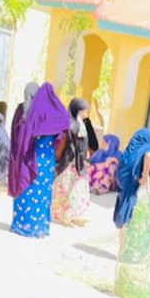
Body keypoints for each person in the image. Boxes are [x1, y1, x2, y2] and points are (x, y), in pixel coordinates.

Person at [8, 81, 70, 238]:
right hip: (47, 160)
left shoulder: (32, 113)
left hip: (31, 157)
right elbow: (63, 128)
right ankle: (40, 227)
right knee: (42, 193)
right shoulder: (53, 114)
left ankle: (24, 225)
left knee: (28, 189)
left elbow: (21, 137)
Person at [51, 97, 93, 226]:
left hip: (78, 163)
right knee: (65, 188)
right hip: (69, 162)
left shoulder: (80, 123)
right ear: (77, 110)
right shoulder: (69, 123)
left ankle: (73, 214)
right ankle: (62, 215)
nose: (85, 113)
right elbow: (64, 143)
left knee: (77, 189)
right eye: (83, 110)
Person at [113, 127, 150, 230]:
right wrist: (144, 176)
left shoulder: (131, 150)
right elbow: (149, 156)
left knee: (128, 209)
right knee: (140, 210)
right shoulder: (148, 147)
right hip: (141, 186)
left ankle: (123, 226)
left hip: (127, 186)